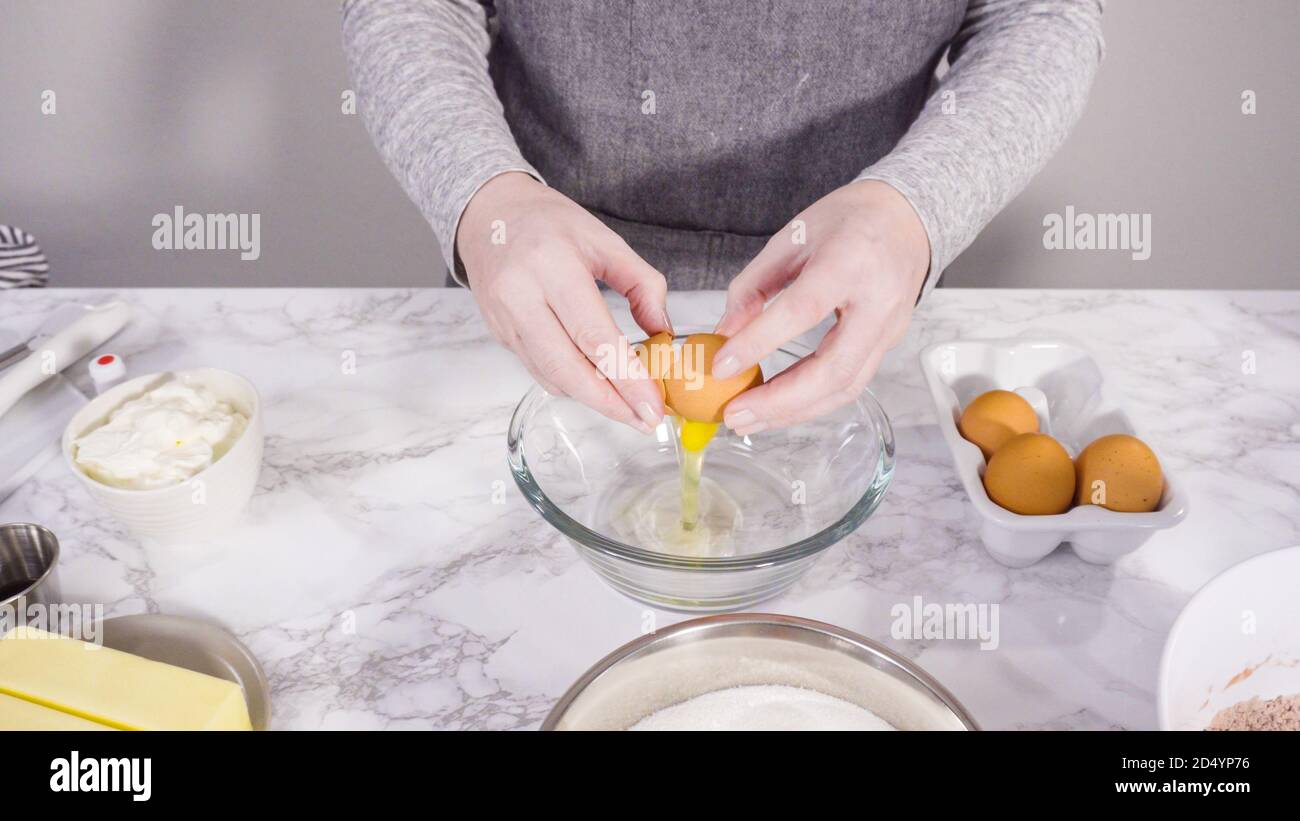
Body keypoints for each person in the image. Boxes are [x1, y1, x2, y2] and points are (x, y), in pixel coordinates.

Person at [343, 0, 1104, 435]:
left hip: (852, 308)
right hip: (544, 292)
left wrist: (919, 205)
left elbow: (1041, 14)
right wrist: (486, 197)